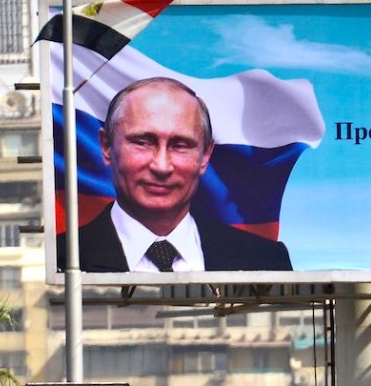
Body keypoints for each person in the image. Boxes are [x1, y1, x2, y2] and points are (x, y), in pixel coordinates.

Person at [65, 77, 292, 272]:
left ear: (205, 155)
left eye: (180, 145)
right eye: (143, 142)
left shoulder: (266, 260)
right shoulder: (65, 260)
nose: (161, 166)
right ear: (106, 147)